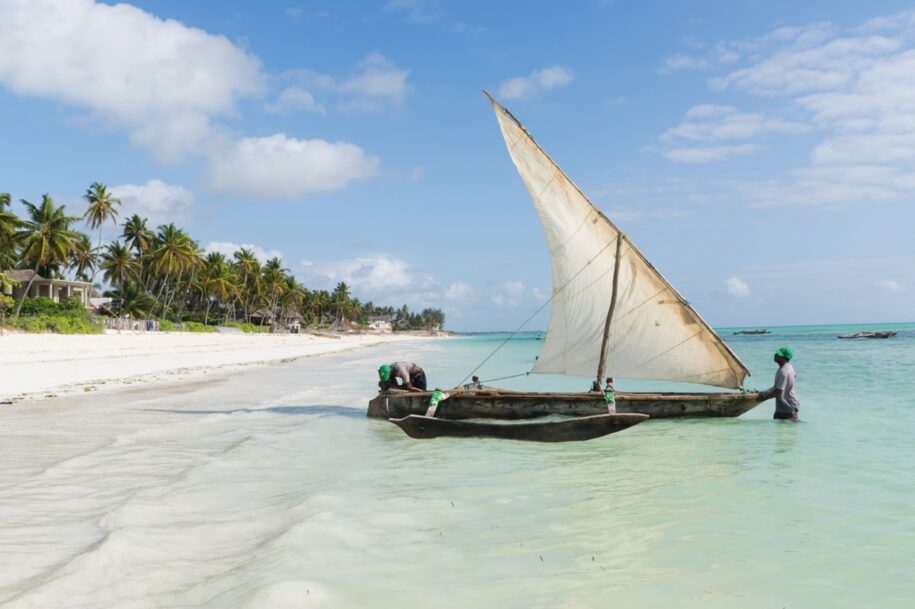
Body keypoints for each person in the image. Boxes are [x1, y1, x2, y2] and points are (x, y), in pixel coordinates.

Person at [757, 347, 800, 421]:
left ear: (784, 358)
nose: (775, 355)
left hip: (787, 407)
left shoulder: (784, 371)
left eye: (778, 354)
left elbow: (778, 392)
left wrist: (763, 398)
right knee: (783, 427)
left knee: (784, 426)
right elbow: (776, 387)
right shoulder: (788, 367)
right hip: (787, 406)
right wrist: (763, 393)